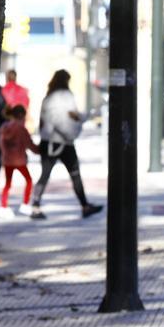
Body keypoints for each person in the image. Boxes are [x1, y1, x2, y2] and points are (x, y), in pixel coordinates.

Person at [29, 69, 102, 220]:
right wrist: (83, 118)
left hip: (47, 141)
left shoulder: (47, 98)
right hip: (65, 142)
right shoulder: (67, 96)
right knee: (75, 175)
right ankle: (85, 206)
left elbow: (42, 121)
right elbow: (73, 114)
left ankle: (35, 206)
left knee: (44, 174)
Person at [0, 105, 39, 217]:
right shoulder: (21, 129)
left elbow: (1, 144)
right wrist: (41, 150)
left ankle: (3, 206)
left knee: (7, 184)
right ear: (21, 116)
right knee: (29, 181)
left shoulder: (4, 128)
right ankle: (25, 204)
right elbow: (30, 145)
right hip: (19, 160)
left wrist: (5, 154)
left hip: (7, 160)